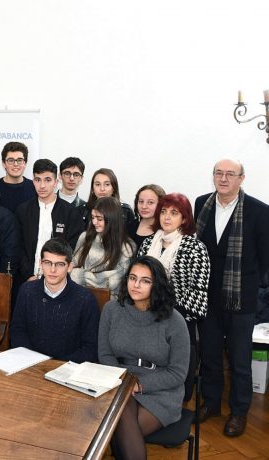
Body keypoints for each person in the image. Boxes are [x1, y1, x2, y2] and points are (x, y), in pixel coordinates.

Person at [194, 159, 269, 437]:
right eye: (218, 173)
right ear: (213, 176)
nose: (223, 178)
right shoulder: (201, 203)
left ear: (242, 178)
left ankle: (239, 412)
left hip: (241, 300)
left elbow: (265, 260)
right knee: (210, 355)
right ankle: (211, 403)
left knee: (240, 361)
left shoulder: (260, 211)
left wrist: (249, 288)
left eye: (230, 174)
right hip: (208, 298)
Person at [98, 256, 189, 460]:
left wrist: (138, 385)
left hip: (160, 391)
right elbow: (105, 354)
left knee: (116, 431)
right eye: (132, 278)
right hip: (119, 381)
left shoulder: (175, 321)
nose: (136, 285)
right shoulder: (111, 310)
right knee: (122, 415)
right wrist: (123, 381)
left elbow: (178, 373)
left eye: (145, 281)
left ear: (157, 285)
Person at [137, 192, 210, 401]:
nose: (167, 217)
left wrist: (164, 307)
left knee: (175, 380)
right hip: (145, 318)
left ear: (184, 218)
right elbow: (135, 279)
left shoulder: (194, 248)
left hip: (177, 321)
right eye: (163, 212)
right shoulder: (148, 243)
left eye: (174, 213)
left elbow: (198, 294)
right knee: (147, 378)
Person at [9, 238, 98, 362]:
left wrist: (57, 366)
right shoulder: (26, 291)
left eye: (60, 264)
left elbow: (90, 348)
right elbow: (18, 333)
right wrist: (34, 362)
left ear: (70, 267)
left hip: (68, 369)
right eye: (47, 263)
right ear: (40, 263)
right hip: (30, 365)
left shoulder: (85, 299)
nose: (52, 270)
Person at [14, 159, 83, 282]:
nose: (42, 186)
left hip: (59, 280)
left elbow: (72, 249)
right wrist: (29, 275)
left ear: (56, 182)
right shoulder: (22, 210)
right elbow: (18, 246)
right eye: (38, 180)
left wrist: (55, 275)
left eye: (47, 180)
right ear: (33, 181)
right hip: (27, 279)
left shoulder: (70, 213)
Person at [71, 197, 135, 298]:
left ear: (112, 219)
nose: (94, 222)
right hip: (79, 298)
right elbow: (73, 266)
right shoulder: (85, 237)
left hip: (107, 303)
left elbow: (113, 281)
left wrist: (81, 275)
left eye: (99, 219)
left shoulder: (126, 247)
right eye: (92, 217)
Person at [0, 141, 36, 214]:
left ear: (25, 163)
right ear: (4, 163)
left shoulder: (35, 187)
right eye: (11, 160)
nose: (16, 164)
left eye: (19, 160)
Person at [127, 184, 165, 249]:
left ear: (161, 204)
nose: (144, 206)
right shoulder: (128, 227)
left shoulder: (166, 230)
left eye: (150, 202)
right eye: (141, 202)